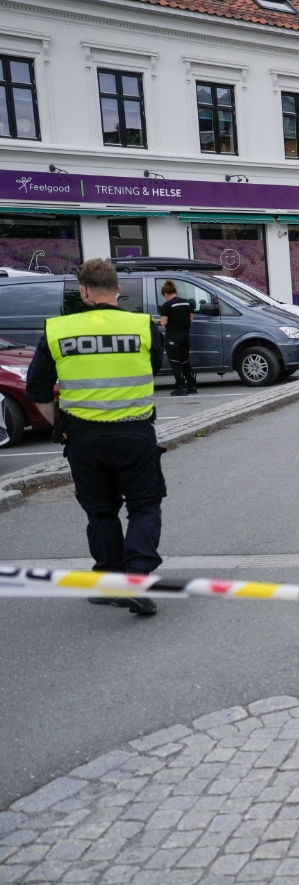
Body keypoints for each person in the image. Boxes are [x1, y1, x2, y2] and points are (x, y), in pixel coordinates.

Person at [26, 259, 167, 617]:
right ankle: (136, 578)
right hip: (134, 431)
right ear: (118, 289)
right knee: (144, 505)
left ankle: (109, 581)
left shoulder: (58, 330)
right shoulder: (142, 326)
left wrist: (61, 424)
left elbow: (37, 388)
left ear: (84, 291)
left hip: (83, 436)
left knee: (101, 511)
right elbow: (154, 368)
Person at [158, 280, 196, 396]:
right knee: (185, 361)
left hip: (173, 337)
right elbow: (191, 319)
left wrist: (157, 323)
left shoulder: (167, 305)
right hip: (185, 336)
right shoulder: (187, 303)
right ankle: (191, 385)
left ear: (165, 294)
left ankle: (180, 387)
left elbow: (164, 323)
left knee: (175, 362)